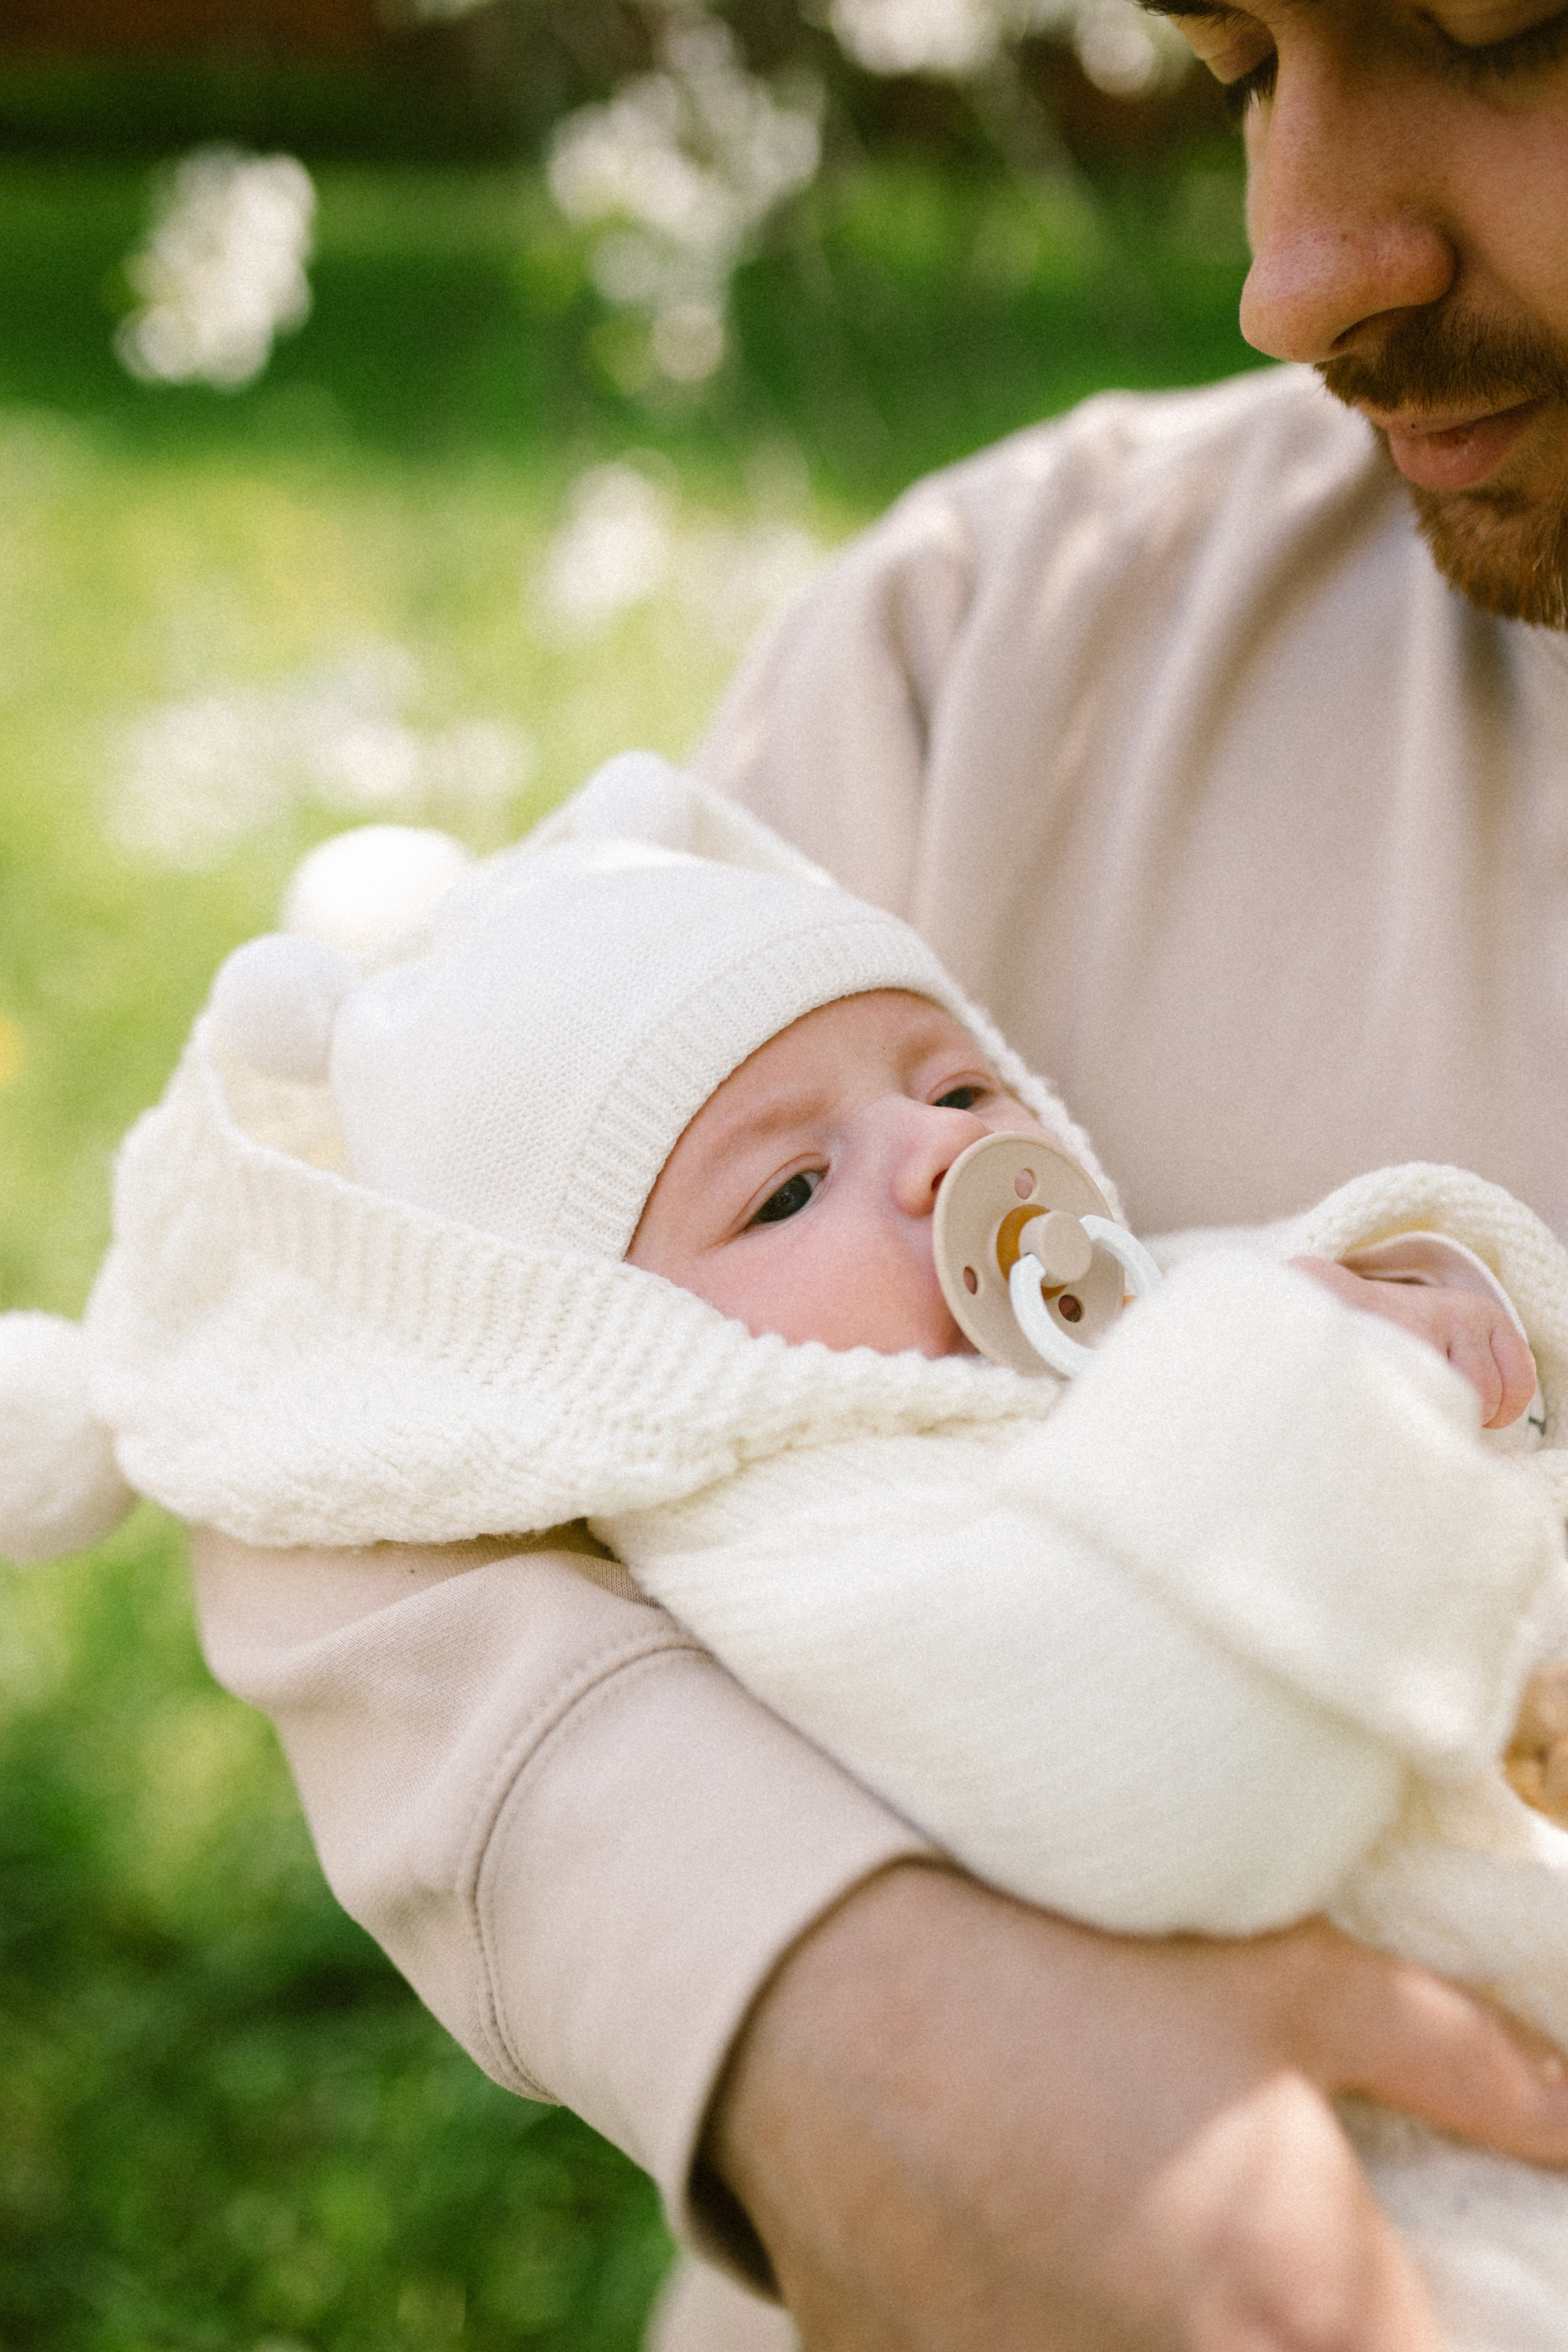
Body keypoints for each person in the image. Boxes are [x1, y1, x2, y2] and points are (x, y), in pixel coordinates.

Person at [165, 6, 1568, 2345]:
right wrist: (826, 2010)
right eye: (1238, 65)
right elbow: (361, 1388)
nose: (1299, 266)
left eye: (1497, 28)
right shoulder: (1019, 633)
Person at [6, 764, 1564, 2343]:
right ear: (621, 1343)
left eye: (959, 1091)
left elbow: (1290, 1311)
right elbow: (1166, 1780)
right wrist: (1335, 1383)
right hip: (1369, 2201)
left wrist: (1428, 1290)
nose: (937, 1161)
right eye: (791, 1188)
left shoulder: (1118, 1328)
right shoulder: (799, 1530)